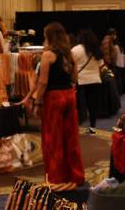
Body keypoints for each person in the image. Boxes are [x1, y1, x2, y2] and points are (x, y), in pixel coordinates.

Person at [23, 22, 84, 186]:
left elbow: (42, 83)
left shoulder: (48, 55)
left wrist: (37, 102)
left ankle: (56, 177)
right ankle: (75, 175)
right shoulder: (69, 55)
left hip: (54, 98)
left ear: (49, 37)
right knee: (71, 138)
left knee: (53, 139)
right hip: (70, 96)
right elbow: (74, 79)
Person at [72, 28, 106, 135]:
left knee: (80, 105)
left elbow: (71, 66)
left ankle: (77, 127)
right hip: (95, 80)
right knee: (92, 105)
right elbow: (101, 66)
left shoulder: (75, 50)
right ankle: (92, 128)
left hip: (81, 81)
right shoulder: (96, 50)